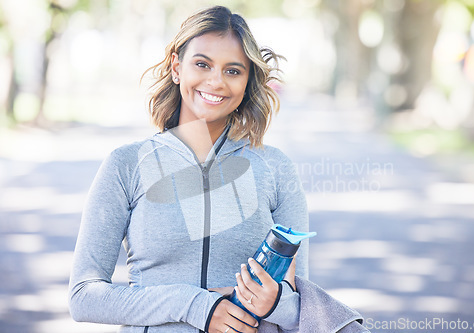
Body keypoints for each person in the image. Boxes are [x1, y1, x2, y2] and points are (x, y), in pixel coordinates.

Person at [69, 5, 308, 333]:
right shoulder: (126, 165)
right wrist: (196, 305)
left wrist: (275, 301)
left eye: (233, 70)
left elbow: (304, 306)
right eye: (202, 64)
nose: (216, 81)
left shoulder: (275, 168)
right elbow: (84, 296)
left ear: (248, 79)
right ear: (177, 67)